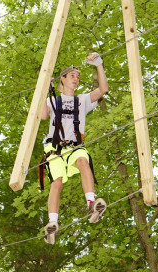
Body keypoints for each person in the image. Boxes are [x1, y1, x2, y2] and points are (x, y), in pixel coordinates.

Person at [41, 52, 108, 245]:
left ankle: (92, 204)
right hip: (54, 148)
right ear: (62, 79)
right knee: (57, 182)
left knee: (83, 160)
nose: (76, 79)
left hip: (75, 146)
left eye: (78, 77)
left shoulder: (83, 100)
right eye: (73, 75)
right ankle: (52, 223)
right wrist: (43, 91)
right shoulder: (52, 100)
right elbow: (43, 116)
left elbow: (103, 89)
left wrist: (99, 65)